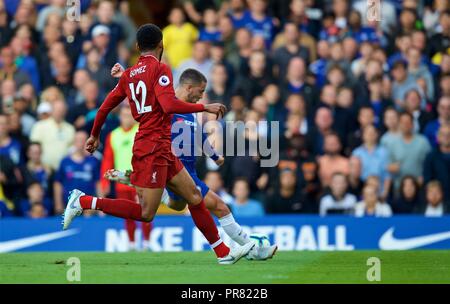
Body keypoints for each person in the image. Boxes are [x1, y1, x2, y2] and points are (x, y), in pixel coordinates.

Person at [62, 24, 253, 265]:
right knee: (145, 213)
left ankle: (223, 253)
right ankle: (83, 201)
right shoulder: (161, 69)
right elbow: (169, 105)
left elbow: (105, 106)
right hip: (151, 147)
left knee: (193, 196)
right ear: (161, 45)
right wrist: (204, 106)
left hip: (161, 148)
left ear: (137, 47)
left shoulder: (129, 75)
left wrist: (94, 135)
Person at [107, 67, 276, 259]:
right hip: (176, 170)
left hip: (188, 170)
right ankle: (254, 250)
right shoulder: (166, 104)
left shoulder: (189, 112)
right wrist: (125, 76)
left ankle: (146, 183)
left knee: (178, 205)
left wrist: (214, 156)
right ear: (189, 88)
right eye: (201, 91)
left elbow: (198, 134)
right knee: (220, 207)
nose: (202, 96)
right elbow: (145, 93)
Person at [100, 104, 152, 252]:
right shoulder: (113, 135)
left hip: (141, 182)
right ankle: (131, 244)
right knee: (127, 214)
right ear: (120, 117)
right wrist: (104, 183)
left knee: (145, 212)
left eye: (129, 115)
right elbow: (107, 161)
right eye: (124, 115)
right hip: (121, 183)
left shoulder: (141, 131)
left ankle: (147, 243)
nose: (126, 118)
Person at [423, 124, 450, 203]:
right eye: (443, 134)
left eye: (449, 134)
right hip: (438, 201)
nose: (446, 137)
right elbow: (427, 180)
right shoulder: (430, 156)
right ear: (438, 137)